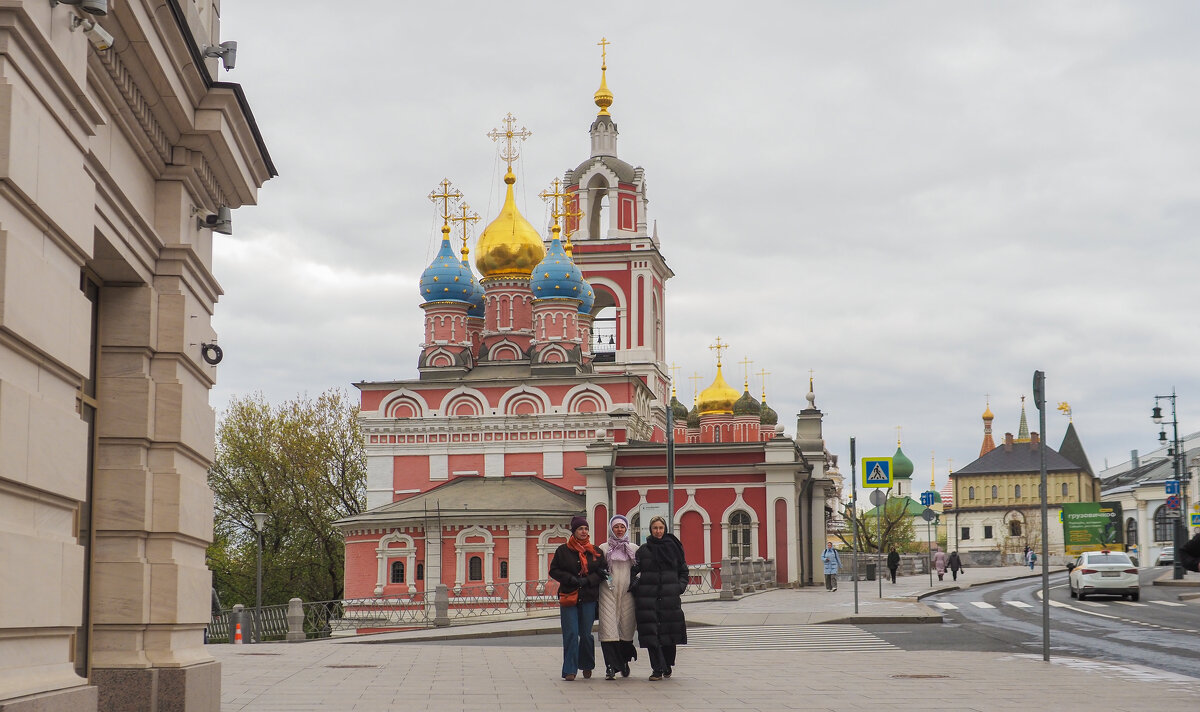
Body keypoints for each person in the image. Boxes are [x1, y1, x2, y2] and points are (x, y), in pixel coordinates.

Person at [549, 515, 607, 681]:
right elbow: (554, 570)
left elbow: (603, 572)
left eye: (586, 528)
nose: (584, 531)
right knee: (571, 633)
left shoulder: (596, 551)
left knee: (586, 634)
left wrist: (588, 580)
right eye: (580, 529)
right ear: (574, 531)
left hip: (588, 597)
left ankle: (587, 665)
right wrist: (570, 579)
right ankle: (570, 670)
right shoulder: (563, 550)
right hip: (569, 596)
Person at [632, 515, 688, 681]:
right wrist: (637, 587)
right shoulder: (643, 550)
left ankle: (667, 664)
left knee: (669, 634)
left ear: (665, 529)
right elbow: (633, 571)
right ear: (650, 530)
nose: (658, 531)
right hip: (648, 599)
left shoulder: (674, 548)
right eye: (655, 528)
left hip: (669, 598)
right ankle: (656, 669)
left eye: (660, 528)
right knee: (652, 634)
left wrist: (678, 587)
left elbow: (683, 571)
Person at [598, 514, 637, 680]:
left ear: (626, 528)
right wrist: (600, 572)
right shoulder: (603, 548)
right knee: (608, 630)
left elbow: (641, 568)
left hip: (628, 593)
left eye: (622, 527)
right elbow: (597, 567)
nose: (619, 530)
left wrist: (637, 580)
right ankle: (610, 667)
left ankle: (624, 660)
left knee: (626, 630)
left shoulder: (633, 548)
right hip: (608, 592)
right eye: (616, 527)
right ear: (611, 529)